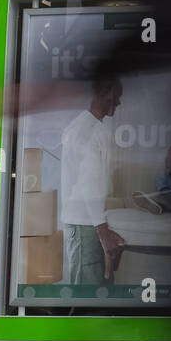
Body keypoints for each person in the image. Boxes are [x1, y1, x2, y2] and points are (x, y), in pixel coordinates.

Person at [59, 77, 126, 285]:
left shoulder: (84, 127)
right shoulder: (89, 130)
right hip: (85, 225)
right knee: (88, 293)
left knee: (98, 290)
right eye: (117, 96)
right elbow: (89, 184)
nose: (119, 102)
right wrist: (102, 230)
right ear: (102, 93)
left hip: (88, 223)